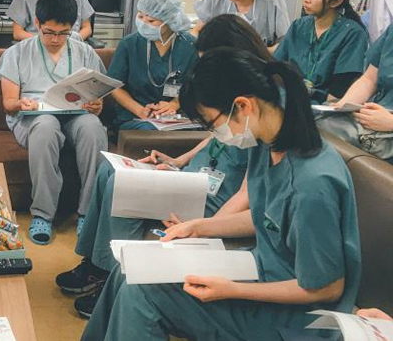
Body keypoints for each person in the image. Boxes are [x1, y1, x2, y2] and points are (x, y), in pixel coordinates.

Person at [82, 49, 361, 341]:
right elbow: (267, 218)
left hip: (296, 317)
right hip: (261, 271)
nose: (216, 135)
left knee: (142, 292)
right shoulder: (267, 145)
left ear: (242, 106)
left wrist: (233, 289)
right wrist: (198, 227)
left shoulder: (313, 184)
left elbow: (327, 288)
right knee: (131, 269)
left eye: (213, 125)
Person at [57, 14, 272, 318]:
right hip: (195, 178)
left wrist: (205, 231)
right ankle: (95, 264)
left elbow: (248, 193)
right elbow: (216, 135)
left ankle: (111, 276)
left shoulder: (262, 110)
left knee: (123, 184)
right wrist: (178, 161)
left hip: (212, 198)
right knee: (110, 169)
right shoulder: (234, 90)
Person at [0, 0, 107, 245]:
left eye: (63, 33)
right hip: (33, 118)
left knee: (93, 127)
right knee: (46, 126)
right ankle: (43, 214)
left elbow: (97, 100)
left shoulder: (85, 52)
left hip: (75, 116)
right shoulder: (17, 53)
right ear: (37, 23)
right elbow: (8, 104)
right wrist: (21, 103)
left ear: (73, 28)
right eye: (49, 32)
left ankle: (88, 213)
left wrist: (96, 106)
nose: (55, 39)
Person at [107, 0, 197, 130]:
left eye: (151, 21)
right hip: (135, 116)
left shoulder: (190, 46)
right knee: (150, 130)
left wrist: (174, 104)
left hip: (177, 116)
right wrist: (141, 111)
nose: (143, 23)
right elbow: (114, 86)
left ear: (170, 20)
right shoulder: (129, 44)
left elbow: (197, 86)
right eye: (140, 16)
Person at [275, 0, 368, 103]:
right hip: (290, 98)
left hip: (325, 106)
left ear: (336, 1)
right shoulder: (298, 26)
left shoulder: (352, 34)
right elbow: (277, 66)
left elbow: (339, 91)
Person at [318, 23, 393, 161]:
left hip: (386, 127)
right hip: (375, 115)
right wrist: (343, 105)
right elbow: (370, 79)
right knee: (312, 119)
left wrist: (390, 123)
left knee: (327, 134)